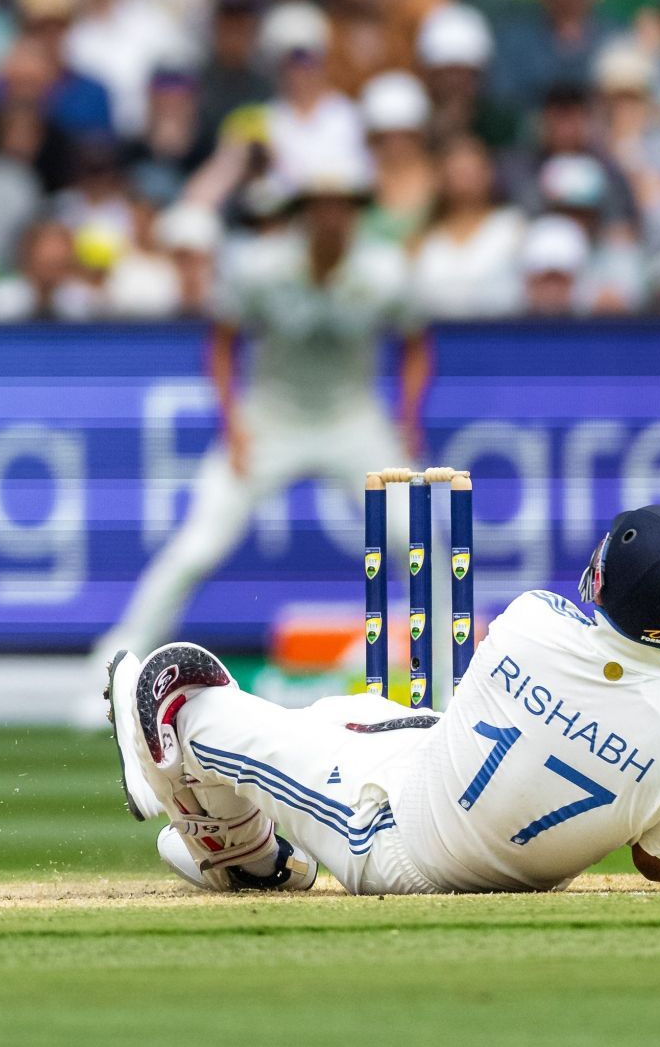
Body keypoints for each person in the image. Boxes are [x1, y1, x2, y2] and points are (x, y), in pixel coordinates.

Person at [103, 503, 660, 894]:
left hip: (391, 848)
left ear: (601, 577)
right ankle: (249, 854)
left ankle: (211, 817)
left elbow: (621, 664)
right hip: (441, 790)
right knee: (360, 717)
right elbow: (659, 862)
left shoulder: (533, 621)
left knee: (181, 691)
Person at [75, 162, 428, 725]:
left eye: (341, 205)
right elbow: (221, 343)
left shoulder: (385, 271)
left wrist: (407, 419)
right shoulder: (261, 268)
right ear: (303, 212)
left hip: (353, 418)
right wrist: (233, 421)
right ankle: (110, 676)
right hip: (270, 418)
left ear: (355, 211)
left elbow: (416, 344)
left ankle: (438, 679)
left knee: (418, 540)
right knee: (199, 547)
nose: (330, 216)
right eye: (319, 204)